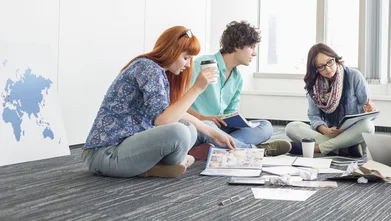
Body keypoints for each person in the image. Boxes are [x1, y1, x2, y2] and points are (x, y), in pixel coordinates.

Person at [82, 26, 236, 178]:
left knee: (189, 128)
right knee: (179, 131)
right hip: (106, 155)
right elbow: (163, 121)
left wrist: (213, 133)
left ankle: (152, 167)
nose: (188, 65)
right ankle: (168, 163)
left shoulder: (158, 72)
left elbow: (172, 113)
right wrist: (197, 88)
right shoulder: (147, 67)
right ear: (172, 51)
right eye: (186, 58)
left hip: (126, 148)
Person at [188, 21, 291, 156]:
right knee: (209, 126)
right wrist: (202, 117)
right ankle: (255, 151)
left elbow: (231, 111)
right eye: (252, 47)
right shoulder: (201, 65)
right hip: (199, 126)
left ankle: (216, 147)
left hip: (221, 128)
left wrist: (240, 122)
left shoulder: (237, 78)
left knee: (265, 126)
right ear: (237, 45)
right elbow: (177, 102)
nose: (254, 53)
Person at [285, 43, 376, 157]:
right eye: (321, 66)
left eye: (329, 62)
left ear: (335, 58)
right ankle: (344, 149)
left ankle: (318, 148)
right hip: (329, 134)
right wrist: (326, 130)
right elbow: (314, 116)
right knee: (291, 128)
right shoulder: (314, 85)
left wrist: (369, 110)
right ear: (315, 69)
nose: (327, 69)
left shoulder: (354, 76)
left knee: (368, 127)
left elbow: (370, 115)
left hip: (352, 134)